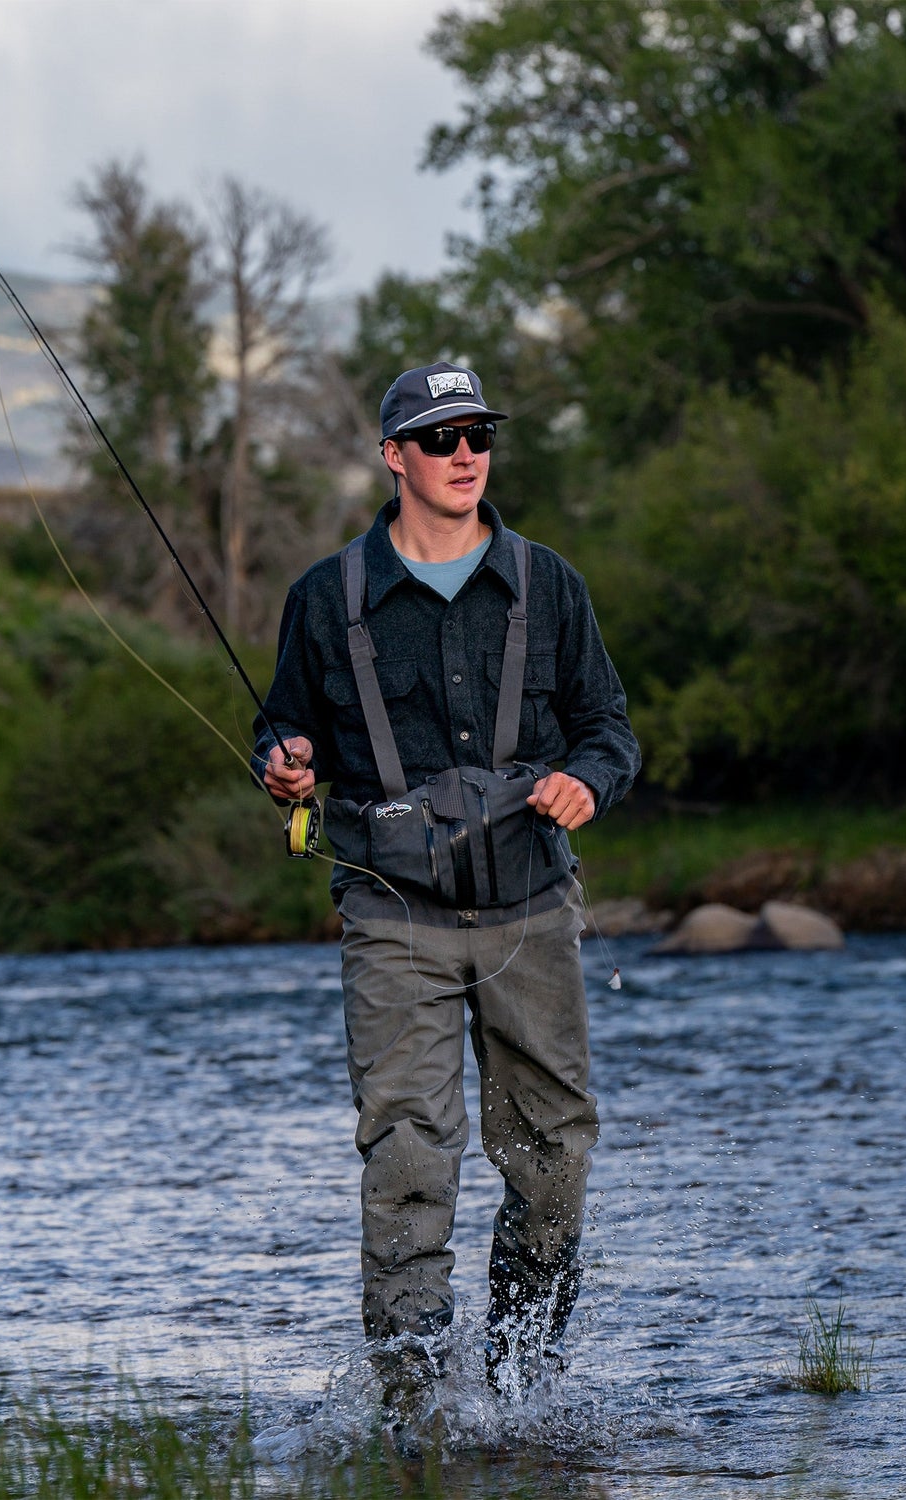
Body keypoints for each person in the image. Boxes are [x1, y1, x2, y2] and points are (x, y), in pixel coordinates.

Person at [254, 361, 639, 1387]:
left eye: (479, 434)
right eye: (440, 437)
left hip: (532, 908)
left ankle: (520, 1390)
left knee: (554, 1161)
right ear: (394, 458)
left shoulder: (550, 583)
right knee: (411, 1162)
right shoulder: (323, 598)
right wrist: (285, 764)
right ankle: (420, 1413)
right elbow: (283, 733)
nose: (465, 452)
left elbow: (610, 730)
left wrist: (587, 784)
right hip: (393, 917)